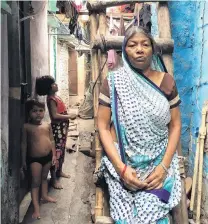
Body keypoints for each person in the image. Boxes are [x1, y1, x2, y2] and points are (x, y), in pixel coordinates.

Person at [98, 26, 182, 224]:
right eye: (132, 45)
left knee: (158, 215)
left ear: (153, 49)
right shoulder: (114, 82)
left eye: (145, 44)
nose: (139, 49)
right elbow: (102, 126)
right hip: (124, 166)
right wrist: (121, 169)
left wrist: (163, 167)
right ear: (124, 50)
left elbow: (176, 125)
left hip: (160, 164)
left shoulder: (166, 82)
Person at [21, 100, 57, 219]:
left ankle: (45, 196)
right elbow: (24, 144)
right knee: (35, 183)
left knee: (44, 178)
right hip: (35, 159)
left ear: (44, 112)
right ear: (29, 113)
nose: (38, 113)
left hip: (47, 157)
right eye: (34, 111)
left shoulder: (47, 124)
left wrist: (54, 155)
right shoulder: (27, 127)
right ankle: (36, 209)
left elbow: (51, 140)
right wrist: (23, 160)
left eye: (41, 111)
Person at [36, 76, 72, 189]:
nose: (56, 85)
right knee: (56, 153)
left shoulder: (56, 97)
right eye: (54, 83)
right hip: (57, 128)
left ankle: (59, 171)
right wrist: (69, 116)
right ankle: (54, 179)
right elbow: (54, 116)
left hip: (62, 128)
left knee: (61, 151)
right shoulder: (51, 99)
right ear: (49, 87)